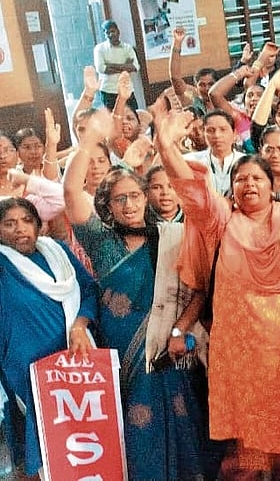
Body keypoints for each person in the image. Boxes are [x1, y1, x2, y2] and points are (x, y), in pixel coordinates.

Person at [155, 110, 280, 478]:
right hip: (242, 348)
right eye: (240, 179)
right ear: (231, 189)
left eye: (257, 178)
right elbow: (189, 188)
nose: (249, 184)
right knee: (250, 442)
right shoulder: (222, 219)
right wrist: (165, 144)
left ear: (271, 185)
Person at [63, 110, 207, 479]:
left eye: (134, 196)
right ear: (107, 206)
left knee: (184, 422)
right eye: (119, 200)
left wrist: (179, 331)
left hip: (170, 350)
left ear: (145, 198)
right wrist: (90, 140)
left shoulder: (171, 237)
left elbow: (198, 291)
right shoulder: (102, 242)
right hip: (124, 357)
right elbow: (70, 192)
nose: (128, 205)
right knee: (139, 432)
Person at [0, 198, 99, 477]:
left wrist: (80, 324)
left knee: (86, 444)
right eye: (9, 224)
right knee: (45, 449)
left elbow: (90, 291)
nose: (20, 229)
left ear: (38, 224)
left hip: (76, 366)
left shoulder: (58, 253)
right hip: (27, 374)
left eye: (26, 221)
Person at [93, 20, 139, 111]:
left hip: (126, 90)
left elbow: (135, 67)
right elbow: (101, 68)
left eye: (112, 31)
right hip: (108, 91)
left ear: (118, 31)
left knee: (134, 118)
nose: (110, 35)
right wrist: (125, 67)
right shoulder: (99, 49)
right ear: (104, 34)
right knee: (114, 122)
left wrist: (111, 65)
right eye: (107, 33)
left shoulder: (127, 48)